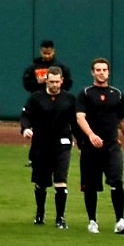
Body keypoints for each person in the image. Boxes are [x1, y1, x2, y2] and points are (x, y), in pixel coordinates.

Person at [74, 57, 124, 234]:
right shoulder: (85, 93)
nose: (101, 73)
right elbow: (80, 117)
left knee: (117, 180)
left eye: (104, 70)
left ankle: (120, 220)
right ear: (92, 72)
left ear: (108, 72)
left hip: (112, 146)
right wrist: (91, 135)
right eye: (98, 70)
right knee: (90, 185)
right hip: (91, 147)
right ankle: (92, 220)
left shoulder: (117, 94)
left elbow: (123, 120)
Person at [19, 63, 77, 228]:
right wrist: (25, 129)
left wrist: (82, 140)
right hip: (41, 145)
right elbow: (25, 116)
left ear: (62, 81)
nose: (54, 85)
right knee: (41, 182)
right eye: (51, 82)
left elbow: (76, 121)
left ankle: (60, 218)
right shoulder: (36, 98)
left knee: (61, 180)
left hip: (62, 144)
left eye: (57, 82)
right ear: (46, 81)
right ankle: (40, 213)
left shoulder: (69, 99)